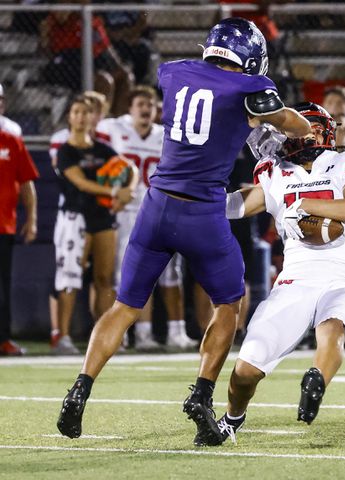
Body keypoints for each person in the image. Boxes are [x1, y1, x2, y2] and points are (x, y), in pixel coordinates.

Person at [56, 18, 310, 445]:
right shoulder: (252, 87)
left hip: (155, 206)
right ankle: (202, 394)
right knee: (230, 304)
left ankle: (80, 388)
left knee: (123, 306)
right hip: (203, 212)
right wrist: (285, 129)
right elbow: (291, 124)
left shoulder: (172, 71)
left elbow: (208, 97)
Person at [213, 102, 345, 444]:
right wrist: (193, 198)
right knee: (245, 371)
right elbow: (237, 205)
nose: (305, 132)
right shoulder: (275, 172)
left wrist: (304, 206)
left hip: (343, 274)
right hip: (293, 281)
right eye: (297, 127)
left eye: (313, 126)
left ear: (325, 132)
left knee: (333, 327)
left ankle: (316, 378)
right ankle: (231, 418)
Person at [96, 86, 195, 351]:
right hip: (125, 212)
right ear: (129, 108)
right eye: (140, 103)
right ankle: (131, 334)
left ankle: (176, 332)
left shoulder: (166, 135)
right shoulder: (113, 129)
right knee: (124, 273)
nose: (145, 108)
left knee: (170, 273)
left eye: (150, 104)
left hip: (159, 210)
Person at [52, 95, 137, 355]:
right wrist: (114, 193)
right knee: (69, 278)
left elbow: (130, 168)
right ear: (70, 116)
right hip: (74, 218)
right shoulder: (65, 151)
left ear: (92, 118)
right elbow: (79, 182)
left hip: (102, 219)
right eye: (76, 111)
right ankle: (63, 337)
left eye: (85, 112)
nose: (80, 117)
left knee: (104, 278)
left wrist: (129, 192)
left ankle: (106, 337)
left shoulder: (102, 148)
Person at [0, 130, 38, 356]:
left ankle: (3, 339)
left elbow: (26, 181)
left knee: (2, 288)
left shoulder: (11, 140)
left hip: (4, 225)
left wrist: (32, 219)